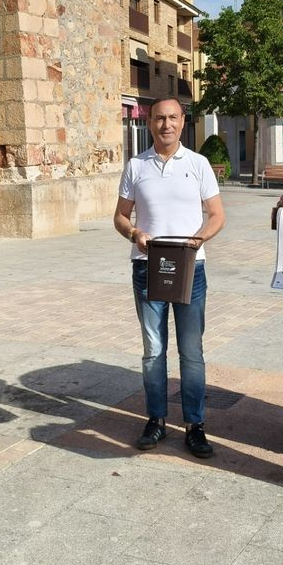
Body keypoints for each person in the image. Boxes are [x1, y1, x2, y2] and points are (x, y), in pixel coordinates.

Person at [113, 97, 225, 458]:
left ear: (182, 122)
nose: (166, 125)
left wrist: (198, 239)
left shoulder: (198, 164)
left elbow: (216, 215)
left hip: (191, 268)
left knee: (191, 351)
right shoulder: (135, 166)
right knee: (153, 351)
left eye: (173, 118)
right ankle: (156, 420)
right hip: (147, 268)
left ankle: (195, 425)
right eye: (159, 118)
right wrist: (135, 235)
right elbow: (120, 216)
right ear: (149, 123)